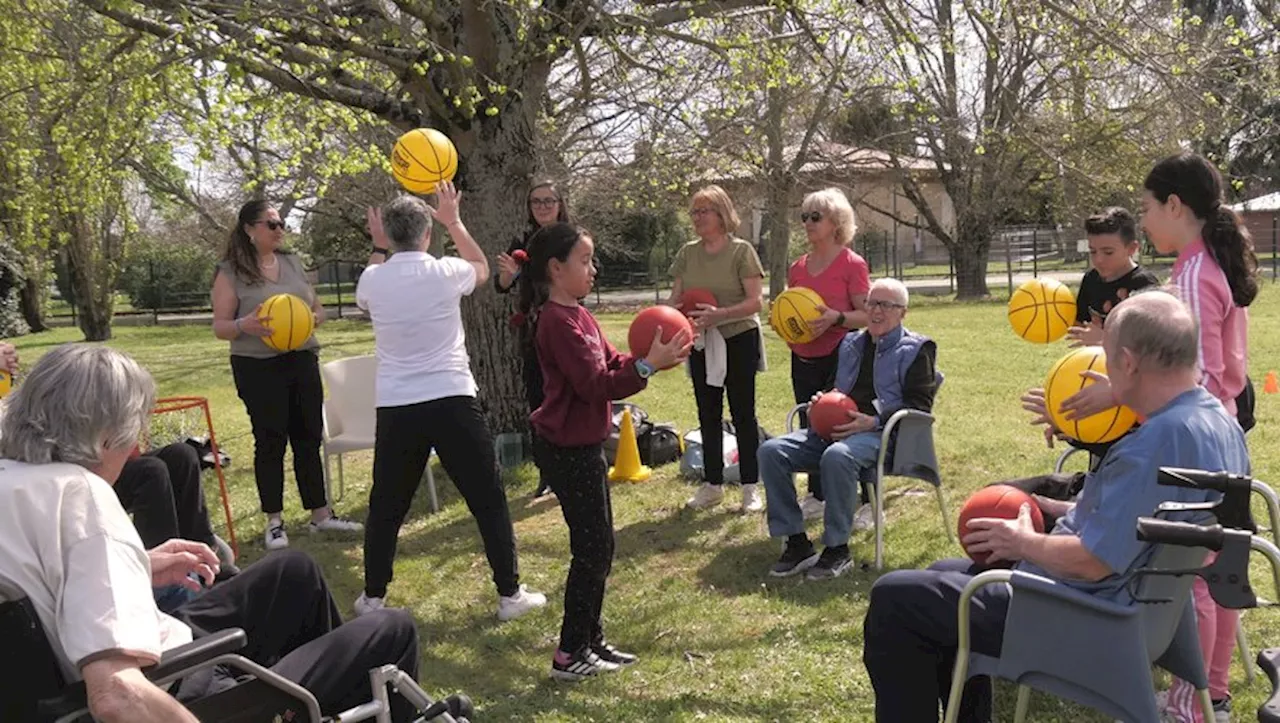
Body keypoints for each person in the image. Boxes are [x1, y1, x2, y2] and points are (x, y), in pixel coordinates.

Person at [861, 290, 1250, 723]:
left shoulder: (1155, 444)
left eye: (1104, 357)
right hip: (1141, 610)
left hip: (1086, 618)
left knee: (896, 598)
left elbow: (1092, 562)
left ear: (1128, 361)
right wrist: (1049, 509)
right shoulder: (1216, 421)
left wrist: (1022, 541)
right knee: (938, 575)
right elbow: (1144, 524)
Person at [0, 344, 422, 723]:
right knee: (391, 629)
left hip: (111, 663)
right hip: (181, 687)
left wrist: (134, 566)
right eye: (131, 433)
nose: (136, 451)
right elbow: (115, 695)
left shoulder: (15, 480)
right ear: (103, 435)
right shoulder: (81, 494)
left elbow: (38, 590)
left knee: (292, 573)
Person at [355, 184, 546, 622]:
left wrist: (377, 245)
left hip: (399, 406)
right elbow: (481, 267)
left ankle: (373, 599)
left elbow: (368, 289)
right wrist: (454, 220)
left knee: (387, 506)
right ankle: (509, 595)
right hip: (452, 399)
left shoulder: (374, 276)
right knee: (487, 499)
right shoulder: (445, 271)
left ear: (390, 233)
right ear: (426, 234)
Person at [519, 222, 692, 680]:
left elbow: (612, 361)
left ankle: (590, 641)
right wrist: (645, 369)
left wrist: (646, 358)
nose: (593, 269)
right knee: (592, 550)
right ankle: (568, 654)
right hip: (565, 448)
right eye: (585, 261)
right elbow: (595, 385)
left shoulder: (579, 313)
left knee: (601, 546)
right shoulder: (557, 322)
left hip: (583, 444)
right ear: (556, 268)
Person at [1138, 152, 1259, 723]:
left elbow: (1198, 376)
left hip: (1197, 441)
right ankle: (1215, 694)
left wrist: (1118, 396)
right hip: (1226, 430)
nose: (1143, 221)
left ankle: (1193, 706)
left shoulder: (1192, 273)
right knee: (1222, 569)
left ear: (1175, 205)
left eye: (1146, 208)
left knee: (1195, 579)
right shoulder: (1210, 262)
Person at [759, 278, 936, 580]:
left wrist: (874, 420)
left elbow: (919, 405)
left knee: (838, 456)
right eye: (871, 303)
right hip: (833, 429)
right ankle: (797, 543)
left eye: (886, 305)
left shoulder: (917, 349)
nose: (876, 311)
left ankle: (837, 549)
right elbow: (834, 386)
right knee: (771, 451)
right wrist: (821, 399)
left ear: (902, 312)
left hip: (884, 435)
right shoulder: (849, 343)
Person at [211, 200, 361, 550]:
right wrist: (243, 325)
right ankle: (274, 521)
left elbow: (315, 308)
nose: (280, 230)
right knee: (270, 440)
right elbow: (219, 327)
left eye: (281, 224)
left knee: (308, 436)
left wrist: (314, 318)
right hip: (257, 365)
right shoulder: (230, 271)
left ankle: (321, 515)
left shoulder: (292, 262)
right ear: (249, 230)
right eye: (272, 224)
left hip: (302, 357)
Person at [668, 184, 767, 512]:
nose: (696, 217)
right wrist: (674, 321)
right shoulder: (686, 252)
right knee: (707, 412)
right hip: (701, 340)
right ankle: (712, 484)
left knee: (743, 413)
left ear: (722, 214)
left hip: (738, 337)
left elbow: (756, 302)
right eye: (693, 212)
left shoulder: (741, 251)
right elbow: (676, 298)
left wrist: (720, 315)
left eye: (703, 211)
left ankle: (751, 487)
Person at [786, 188, 871, 521]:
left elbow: (868, 315)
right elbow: (791, 311)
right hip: (803, 357)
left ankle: (868, 500)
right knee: (811, 425)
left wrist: (836, 318)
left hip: (843, 355)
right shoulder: (797, 267)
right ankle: (817, 495)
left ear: (836, 222)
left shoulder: (852, 263)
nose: (808, 223)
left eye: (815, 217)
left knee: (847, 423)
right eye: (804, 216)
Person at [495, 181, 572, 499]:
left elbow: (591, 274)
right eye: (536, 201)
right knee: (539, 401)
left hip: (567, 327)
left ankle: (574, 468)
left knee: (571, 396)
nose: (542, 206)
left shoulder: (573, 238)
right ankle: (548, 473)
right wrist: (510, 276)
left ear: (560, 203)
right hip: (533, 330)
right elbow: (503, 286)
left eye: (548, 200)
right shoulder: (522, 243)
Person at [116, 442, 238, 576]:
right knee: (151, 471)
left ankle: (204, 560)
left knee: (182, 454)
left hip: (114, 457)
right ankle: (163, 571)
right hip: (93, 473)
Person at [1067, 206, 1160, 348]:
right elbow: (1079, 324)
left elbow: (1154, 342)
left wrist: (1104, 339)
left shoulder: (1145, 285)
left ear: (1132, 249)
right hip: (1093, 365)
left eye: (1108, 252)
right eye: (1093, 251)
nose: (1098, 259)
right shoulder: (1091, 279)